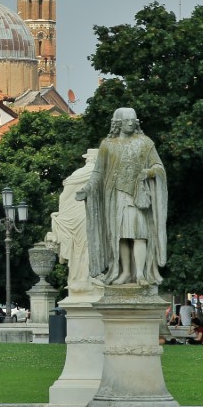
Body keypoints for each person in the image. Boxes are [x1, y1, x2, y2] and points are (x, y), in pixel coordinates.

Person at [77, 108, 167, 286]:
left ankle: (140, 274)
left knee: (139, 233)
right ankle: (125, 272)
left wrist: (149, 172)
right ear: (118, 123)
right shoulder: (107, 145)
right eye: (127, 121)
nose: (131, 123)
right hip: (115, 196)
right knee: (121, 236)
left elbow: (159, 166)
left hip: (137, 196)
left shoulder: (145, 143)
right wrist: (87, 189)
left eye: (133, 120)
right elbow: (98, 172)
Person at [47, 148, 99, 295]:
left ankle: (77, 279)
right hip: (88, 214)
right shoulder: (98, 174)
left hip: (74, 218)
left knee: (78, 249)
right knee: (89, 246)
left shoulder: (76, 175)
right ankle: (87, 279)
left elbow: (63, 197)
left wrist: (63, 214)